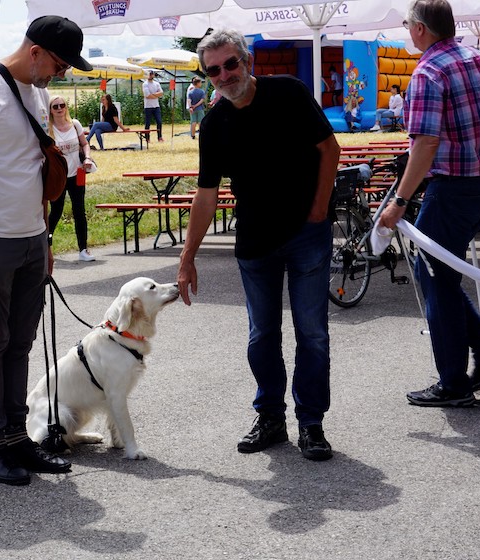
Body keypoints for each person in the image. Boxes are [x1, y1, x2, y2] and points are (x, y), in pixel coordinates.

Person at [177, 29, 341, 461]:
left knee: (312, 333)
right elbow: (206, 194)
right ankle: (270, 418)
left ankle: (311, 423)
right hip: (255, 241)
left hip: (307, 234)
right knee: (262, 335)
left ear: (247, 61)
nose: (224, 75)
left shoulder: (288, 92)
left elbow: (329, 149)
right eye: (214, 70)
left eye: (230, 64)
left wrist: (319, 210)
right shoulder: (214, 125)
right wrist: (187, 257)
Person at [0, 15, 92, 486]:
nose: (60, 75)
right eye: (59, 65)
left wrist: (43, 238)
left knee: (21, 343)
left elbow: (33, 170)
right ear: (35, 52)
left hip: (30, 240)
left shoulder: (37, 93)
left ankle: (17, 437)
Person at [378, 0, 480, 407]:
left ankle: (454, 382)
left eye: (408, 24)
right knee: (440, 275)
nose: (407, 30)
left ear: (421, 28)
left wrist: (399, 201)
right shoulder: (479, 59)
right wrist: (476, 149)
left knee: (435, 278)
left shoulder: (428, 72)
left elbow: (425, 143)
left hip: (451, 189)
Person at [47, 94, 96, 262]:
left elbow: (85, 143)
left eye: (62, 105)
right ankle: (46, 244)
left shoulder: (75, 124)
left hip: (77, 173)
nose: (59, 109)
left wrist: (87, 158)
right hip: (59, 177)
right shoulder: (49, 129)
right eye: (55, 106)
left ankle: (83, 249)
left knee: (79, 211)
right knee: (56, 212)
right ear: (50, 110)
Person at [142, 70, 164, 143]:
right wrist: (156, 95)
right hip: (148, 106)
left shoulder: (157, 84)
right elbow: (147, 95)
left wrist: (153, 95)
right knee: (147, 123)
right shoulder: (145, 84)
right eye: (149, 74)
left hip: (156, 106)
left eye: (152, 74)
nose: (151, 75)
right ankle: (147, 138)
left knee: (159, 122)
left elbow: (161, 93)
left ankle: (160, 137)